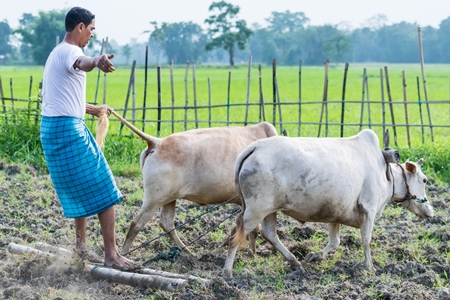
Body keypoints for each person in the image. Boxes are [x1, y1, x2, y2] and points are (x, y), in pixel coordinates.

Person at [40, 6, 140, 271]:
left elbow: (62, 99)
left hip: (55, 128)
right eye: (92, 29)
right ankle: (112, 255)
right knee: (105, 187)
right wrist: (97, 60)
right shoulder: (73, 52)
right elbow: (84, 62)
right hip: (67, 131)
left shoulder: (55, 54)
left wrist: (95, 110)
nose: (93, 34)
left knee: (80, 189)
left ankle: (82, 246)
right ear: (80, 27)